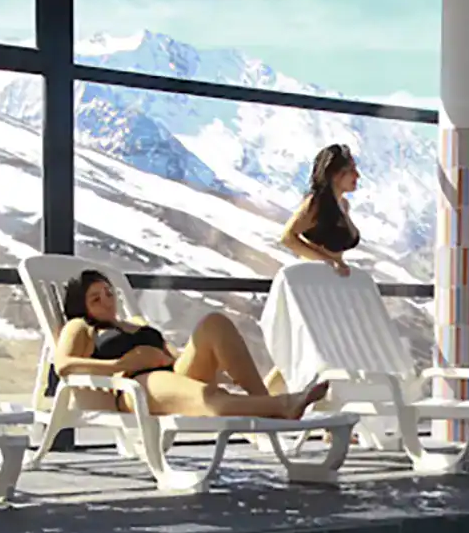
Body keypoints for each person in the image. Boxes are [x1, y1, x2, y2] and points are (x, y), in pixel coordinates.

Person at [52, 269, 327, 420]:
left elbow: (172, 352)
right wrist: (120, 364)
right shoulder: (81, 326)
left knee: (214, 323)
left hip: (171, 371)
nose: (108, 301)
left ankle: (267, 404)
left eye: (109, 293)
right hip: (136, 385)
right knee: (208, 396)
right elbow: (63, 365)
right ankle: (282, 405)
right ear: (81, 306)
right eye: (96, 299)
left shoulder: (132, 321)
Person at [280, 144, 362, 276]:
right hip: (312, 276)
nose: (357, 175)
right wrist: (327, 262)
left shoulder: (344, 205)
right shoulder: (315, 203)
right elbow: (287, 237)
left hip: (330, 278)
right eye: (351, 170)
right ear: (334, 174)